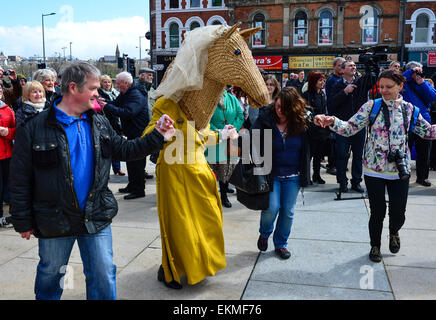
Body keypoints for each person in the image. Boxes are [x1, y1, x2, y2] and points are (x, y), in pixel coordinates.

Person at [9, 61, 175, 300]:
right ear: (74, 88)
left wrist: (158, 136)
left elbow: (126, 149)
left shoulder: (99, 122)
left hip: (95, 215)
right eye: (94, 88)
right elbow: (20, 178)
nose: (98, 93)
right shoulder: (34, 127)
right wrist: (22, 219)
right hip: (55, 219)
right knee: (52, 275)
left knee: (104, 274)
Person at [314, 70, 436, 263]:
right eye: (381, 87)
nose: (384, 91)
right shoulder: (371, 107)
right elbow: (349, 128)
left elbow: (428, 132)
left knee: (398, 213)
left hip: (399, 171)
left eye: (389, 87)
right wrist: (332, 121)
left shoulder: (410, 110)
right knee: (377, 212)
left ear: (400, 86)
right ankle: (375, 246)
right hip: (373, 171)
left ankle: (394, 231)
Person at [255, 87, 311, 259]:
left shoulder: (302, 122)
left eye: (284, 108)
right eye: (277, 106)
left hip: (293, 175)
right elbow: (253, 139)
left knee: (287, 211)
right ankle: (265, 233)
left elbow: (319, 138)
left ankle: (281, 244)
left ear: (293, 107)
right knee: (271, 208)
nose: (279, 110)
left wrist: (322, 123)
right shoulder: (266, 118)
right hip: (271, 174)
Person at [100, 71, 150, 200]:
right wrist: (105, 102)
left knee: (137, 162)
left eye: (118, 83)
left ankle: (139, 189)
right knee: (131, 160)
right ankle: (132, 185)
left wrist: (106, 106)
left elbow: (128, 112)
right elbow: (116, 103)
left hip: (138, 132)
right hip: (131, 132)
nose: (116, 85)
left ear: (126, 83)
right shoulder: (126, 92)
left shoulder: (136, 94)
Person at [330, 59, 376, 193]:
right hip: (342, 125)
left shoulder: (361, 82)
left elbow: (373, 80)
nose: (353, 67)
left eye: (354, 65)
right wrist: (345, 91)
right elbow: (332, 103)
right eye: (350, 65)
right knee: (342, 154)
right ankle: (342, 182)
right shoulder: (336, 85)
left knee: (358, 155)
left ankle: (356, 182)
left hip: (359, 126)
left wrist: (371, 66)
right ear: (342, 70)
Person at [206, 90, 244, 208]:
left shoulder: (232, 99)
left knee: (228, 167)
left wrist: (233, 129)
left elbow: (240, 115)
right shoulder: (208, 98)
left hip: (230, 138)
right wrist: (219, 132)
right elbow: (205, 119)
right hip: (215, 139)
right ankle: (217, 196)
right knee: (217, 169)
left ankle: (224, 191)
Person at [402, 61, 436, 186]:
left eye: (420, 71)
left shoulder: (425, 83)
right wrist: (411, 71)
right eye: (418, 71)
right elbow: (401, 77)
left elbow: (433, 97)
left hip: (424, 121)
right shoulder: (403, 83)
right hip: (406, 121)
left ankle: (422, 177)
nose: (420, 73)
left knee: (424, 151)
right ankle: (403, 175)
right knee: (405, 150)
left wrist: (422, 83)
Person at [302, 72, 329, 184]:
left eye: (323, 80)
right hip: (310, 130)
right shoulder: (307, 95)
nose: (323, 82)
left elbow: (324, 110)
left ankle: (316, 175)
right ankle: (305, 177)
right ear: (314, 82)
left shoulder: (322, 94)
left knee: (318, 155)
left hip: (321, 129)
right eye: (320, 80)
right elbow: (305, 112)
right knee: (309, 155)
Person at [97, 74, 125, 176]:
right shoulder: (99, 95)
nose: (107, 84)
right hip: (106, 123)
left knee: (116, 145)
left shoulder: (116, 93)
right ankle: (106, 171)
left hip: (117, 123)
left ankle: (117, 168)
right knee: (106, 148)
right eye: (105, 82)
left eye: (109, 82)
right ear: (101, 84)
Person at [324, 57, 346, 176]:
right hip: (334, 115)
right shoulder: (333, 80)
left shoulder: (342, 79)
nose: (341, 67)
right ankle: (332, 165)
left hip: (341, 115)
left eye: (343, 65)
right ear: (334, 67)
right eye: (339, 65)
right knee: (334, 143)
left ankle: (338, 165)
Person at [0, 85, 16, 228]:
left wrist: (7, 132)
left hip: (7, 155)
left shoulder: (7, 110)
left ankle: (10, 217)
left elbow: (15, 131)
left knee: (9, 187)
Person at [137, 67, 156, 179]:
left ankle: (142, 171)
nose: (152, 77)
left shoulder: (152, 90)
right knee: (139, 152)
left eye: (152, 75)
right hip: (140, 126)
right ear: (142, 76)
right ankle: (139, 175)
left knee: (146, 151)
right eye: (149, 75)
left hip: (151, 125)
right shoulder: (137, 89)